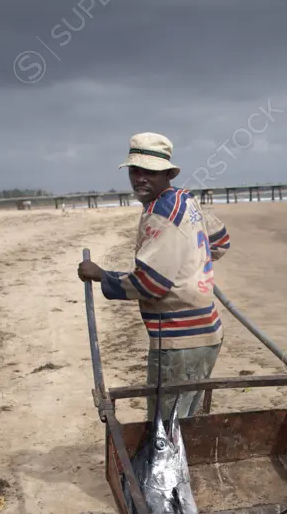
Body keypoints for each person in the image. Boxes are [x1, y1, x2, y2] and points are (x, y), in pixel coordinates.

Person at [78, 132, 230, 420]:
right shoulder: (187, 200)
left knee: (165, 427)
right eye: (135, 171)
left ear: (166, 174)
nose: (140, 179)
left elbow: (152, 284)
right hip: (209, 332)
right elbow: (221, 243)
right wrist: (188, 257)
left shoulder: (161, 213)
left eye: (150, 171)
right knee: (186, 418)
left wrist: (102, 276)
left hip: (179, 339)